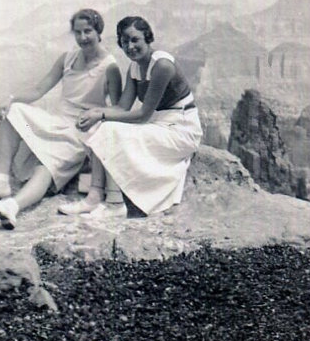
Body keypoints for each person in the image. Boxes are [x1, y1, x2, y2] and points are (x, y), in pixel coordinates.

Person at [0, 9, 122, 229]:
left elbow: (118, 108)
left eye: (88, 31)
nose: (83, 38)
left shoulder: (110, 67)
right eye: (78, 32)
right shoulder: (68, 58)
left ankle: (13, 206)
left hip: (78, 134)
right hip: (55, 123)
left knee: (48, 166)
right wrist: (11, 98)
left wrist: (97, 121)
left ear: (98, 30)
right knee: (14, 114)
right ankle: (0, 182)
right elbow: (39, 89)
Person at [58, 15, 202, 220]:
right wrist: (96, 115)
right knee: (99, 127)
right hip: (160, 123)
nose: (130, 46)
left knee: (110, 128)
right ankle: (94, 196)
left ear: (147, 37)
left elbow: (143, 115)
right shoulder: (135, 68)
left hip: (180, 128)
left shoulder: (162, 65)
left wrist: (101, 114)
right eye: (125, 42)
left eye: (135, 40)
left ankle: (115, 204)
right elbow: (122, 107)